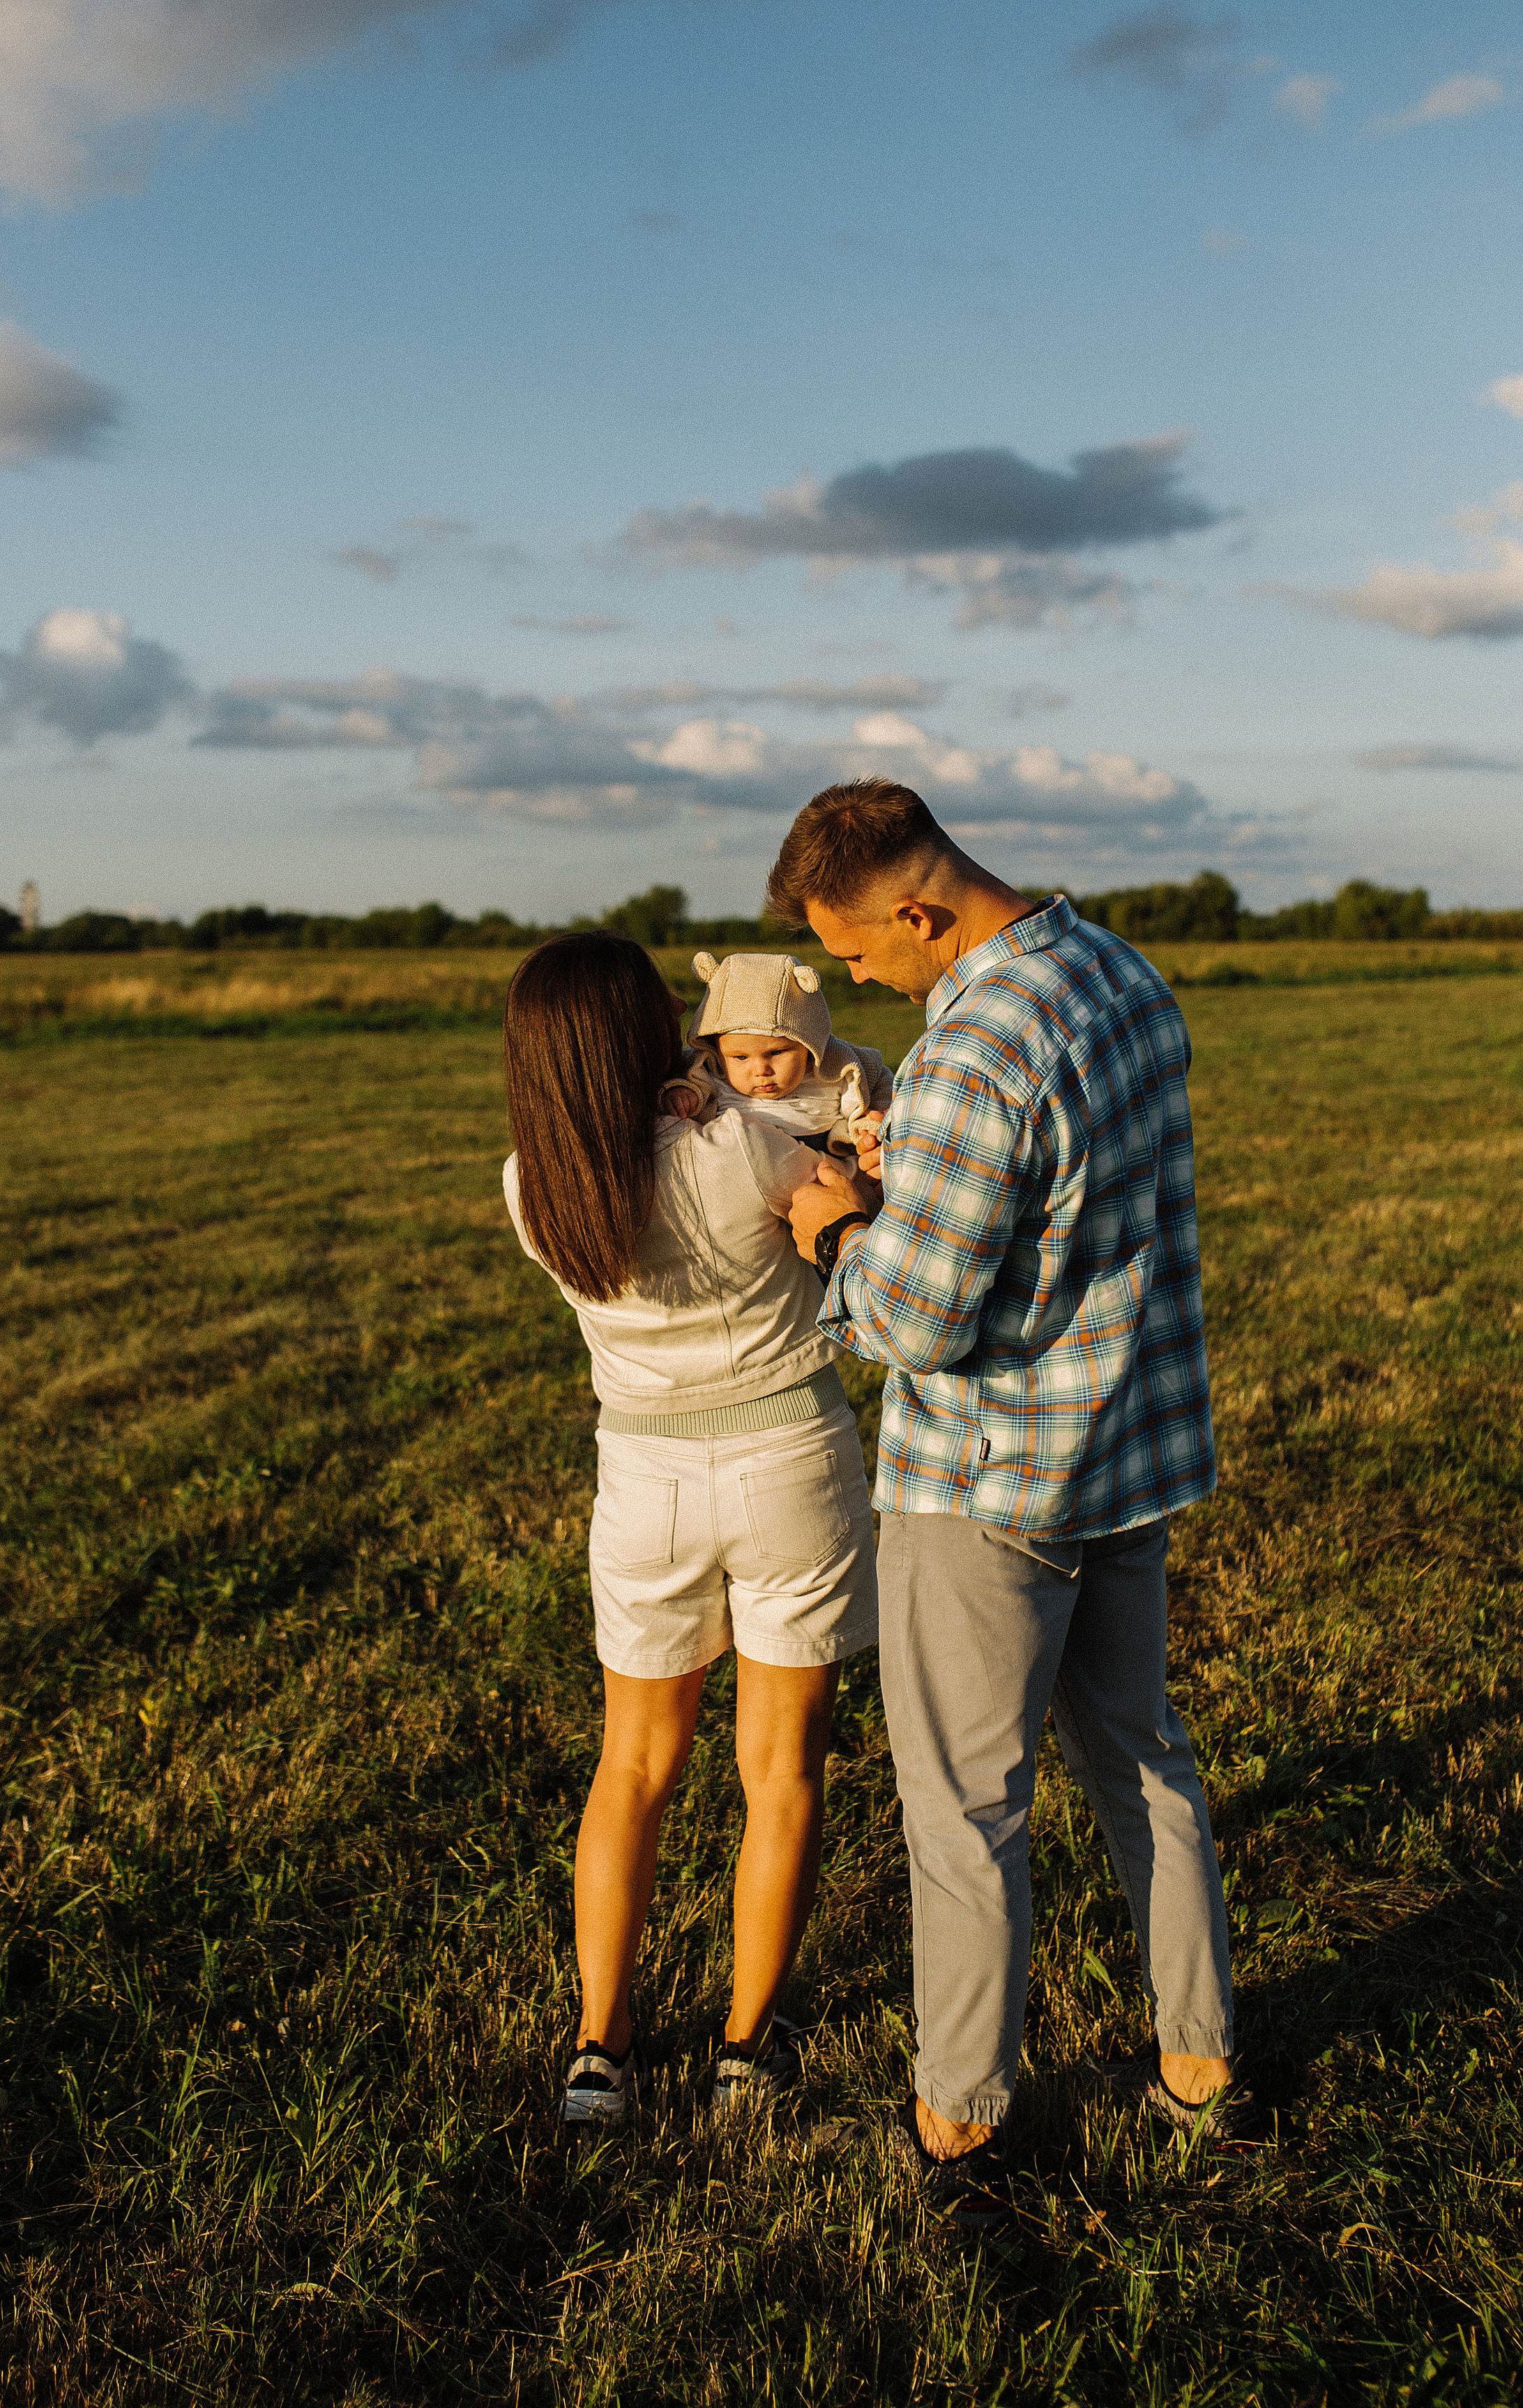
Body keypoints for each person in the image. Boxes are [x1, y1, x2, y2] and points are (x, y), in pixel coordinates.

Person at [771, 779, 1257, 2229]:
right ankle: (1201, 2069)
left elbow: (916, 1320)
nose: (858, 978)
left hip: (988, 1482)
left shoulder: (974, 1044)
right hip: (1125, 1452)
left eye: (858, 951)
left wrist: (837, 1230)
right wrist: (909, 1180)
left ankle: (960, 2126)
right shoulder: (1117, 971)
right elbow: (1061, 1208)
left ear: (919, 911)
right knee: (1142, 1759)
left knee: (967, 1809)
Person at [500, 931, 879, 2135]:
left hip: (643, 1482)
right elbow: (848, 1216)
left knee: (632, 1768)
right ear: (640, 1033)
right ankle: (745, 2051)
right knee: (781, 1772)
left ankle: (600, 2048)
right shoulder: (744, 1145)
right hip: (789, 1464)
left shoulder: (531, 1185)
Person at [661, 947, 893, 1155]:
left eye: (776, 1053)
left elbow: (880, 1078)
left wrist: (871, 1117)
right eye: (741, 1057)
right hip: (745, 1165)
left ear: (808, 1044)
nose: (761, 1070)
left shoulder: (838, 1069)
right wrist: (681, 1093)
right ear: (717, 1052)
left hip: (824, 1157)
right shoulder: (710, 1074)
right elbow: (684, 1075)